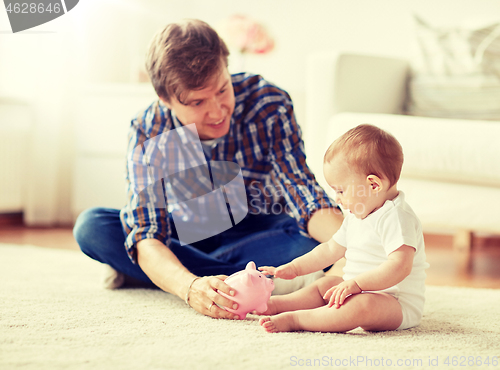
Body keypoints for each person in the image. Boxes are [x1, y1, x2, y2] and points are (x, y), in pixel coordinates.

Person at [73, 19, 343, 320]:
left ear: (227, 67)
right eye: (197, 102)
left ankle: (155, 274)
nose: (216, 111)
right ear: (165, 100)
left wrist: (352, 244)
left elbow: (302, 192)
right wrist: (189, 288)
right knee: (93, 227)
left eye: (222, 90)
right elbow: (146, 231)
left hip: (259, 231)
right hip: (187, 232)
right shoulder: (149, 129)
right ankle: (254, 282)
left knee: (309, 248)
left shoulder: (268, 102)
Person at [258, 124, 429, 333]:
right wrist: (294, 268)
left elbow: (399, 267)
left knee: (362, 306)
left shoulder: (397, 217)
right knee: (326, 284)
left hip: (394, 302)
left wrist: (357, 285)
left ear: (373, 184)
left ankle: (298, 320)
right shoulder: (356, 215)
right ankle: (276, 305)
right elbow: (330, 250)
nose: (337, 199)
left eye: (341, 190)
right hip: (356, 288)